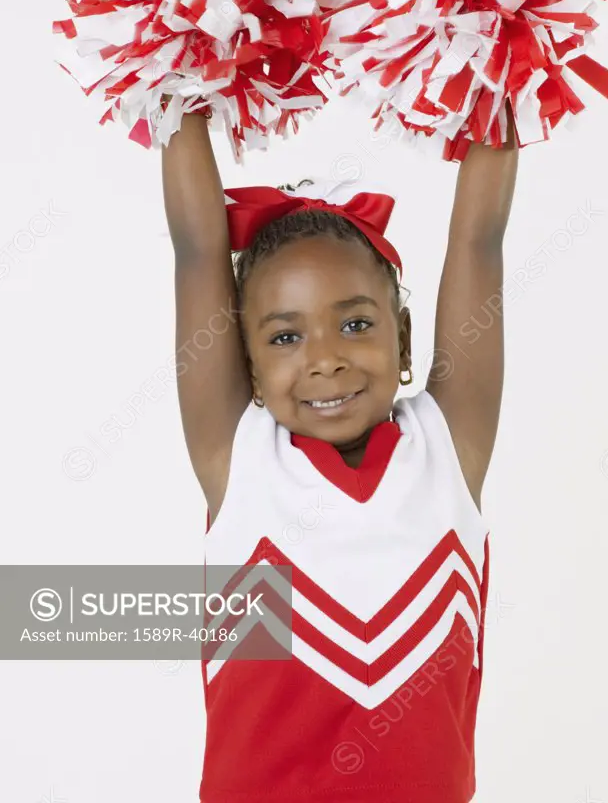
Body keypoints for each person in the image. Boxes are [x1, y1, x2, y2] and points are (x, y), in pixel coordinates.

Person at [161, 102, 518, 803]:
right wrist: (177, 83)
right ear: (245, 364)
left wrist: (497, 60)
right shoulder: (238, 463)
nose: (324, 360)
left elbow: (478, 241)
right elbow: (198, 249)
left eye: (355, 323)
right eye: (285, 337)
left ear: (404, 339)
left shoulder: (448, 450)